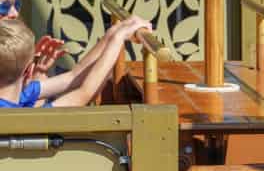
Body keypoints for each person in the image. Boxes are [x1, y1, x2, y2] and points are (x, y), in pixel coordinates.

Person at [0, 15, 151, 108]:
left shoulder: (20, 95)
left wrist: (114, 32)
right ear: (29, 71)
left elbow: (73, 77)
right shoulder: (22, 118)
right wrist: (119, 38)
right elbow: (84, 93)